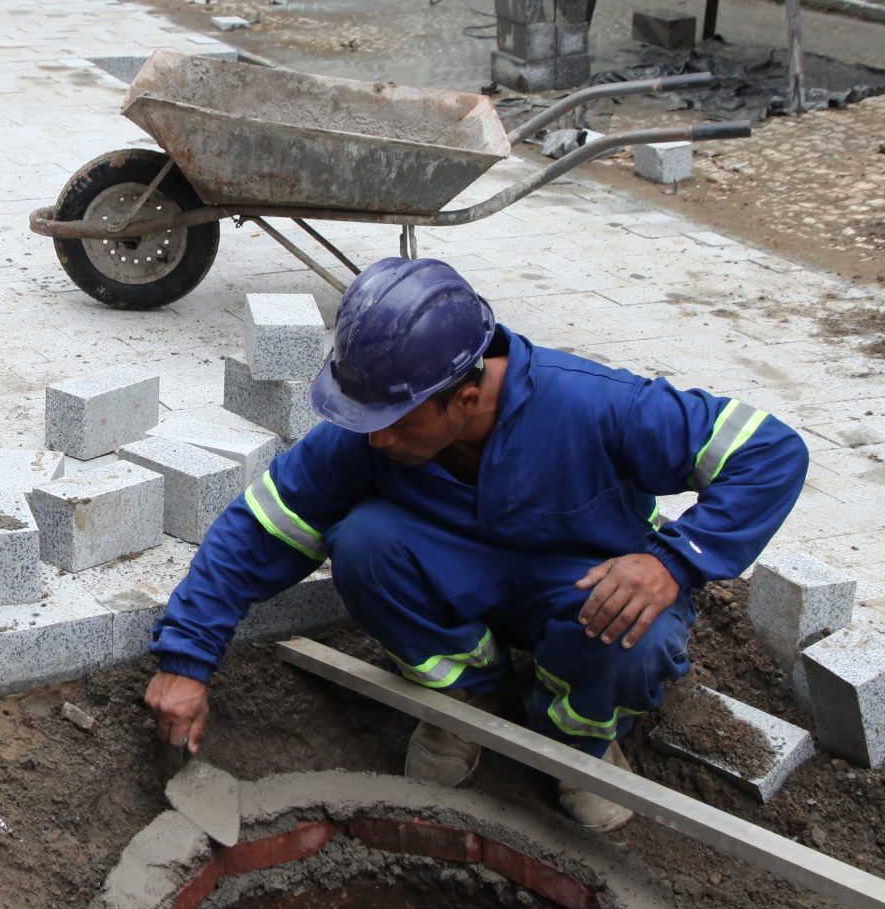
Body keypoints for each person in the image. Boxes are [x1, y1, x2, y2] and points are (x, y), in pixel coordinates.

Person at [144, 258, 808, 833]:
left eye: (394, 423)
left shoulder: (597, 407)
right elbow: (260, 528)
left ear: (465, 398)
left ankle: (575, 741)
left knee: (645, 634)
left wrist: (676, 561)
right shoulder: (372, 431)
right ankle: (469, 696)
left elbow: (771, 451)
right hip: (457, 575)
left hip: (580, 590)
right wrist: (186, 659)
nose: (376, 439)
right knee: (365, 543)